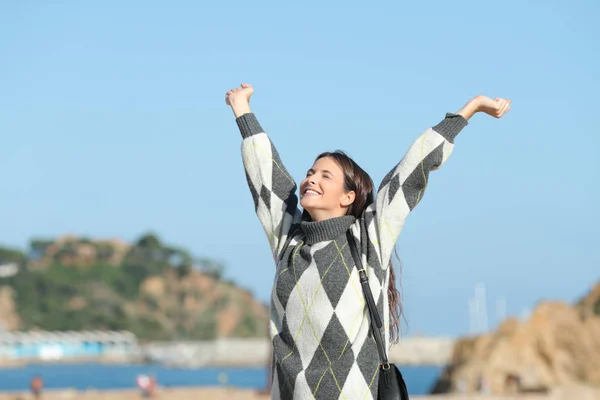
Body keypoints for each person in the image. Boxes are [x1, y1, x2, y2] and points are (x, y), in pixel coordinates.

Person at [225, 83, 510, 400]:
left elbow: (412, 168)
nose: (311, 179)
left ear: (349, 196)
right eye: (310, 172)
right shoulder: (287, 241)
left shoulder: (367, 238)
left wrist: (470, 108)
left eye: (325, 175)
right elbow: (267, 177)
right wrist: (241, 108)